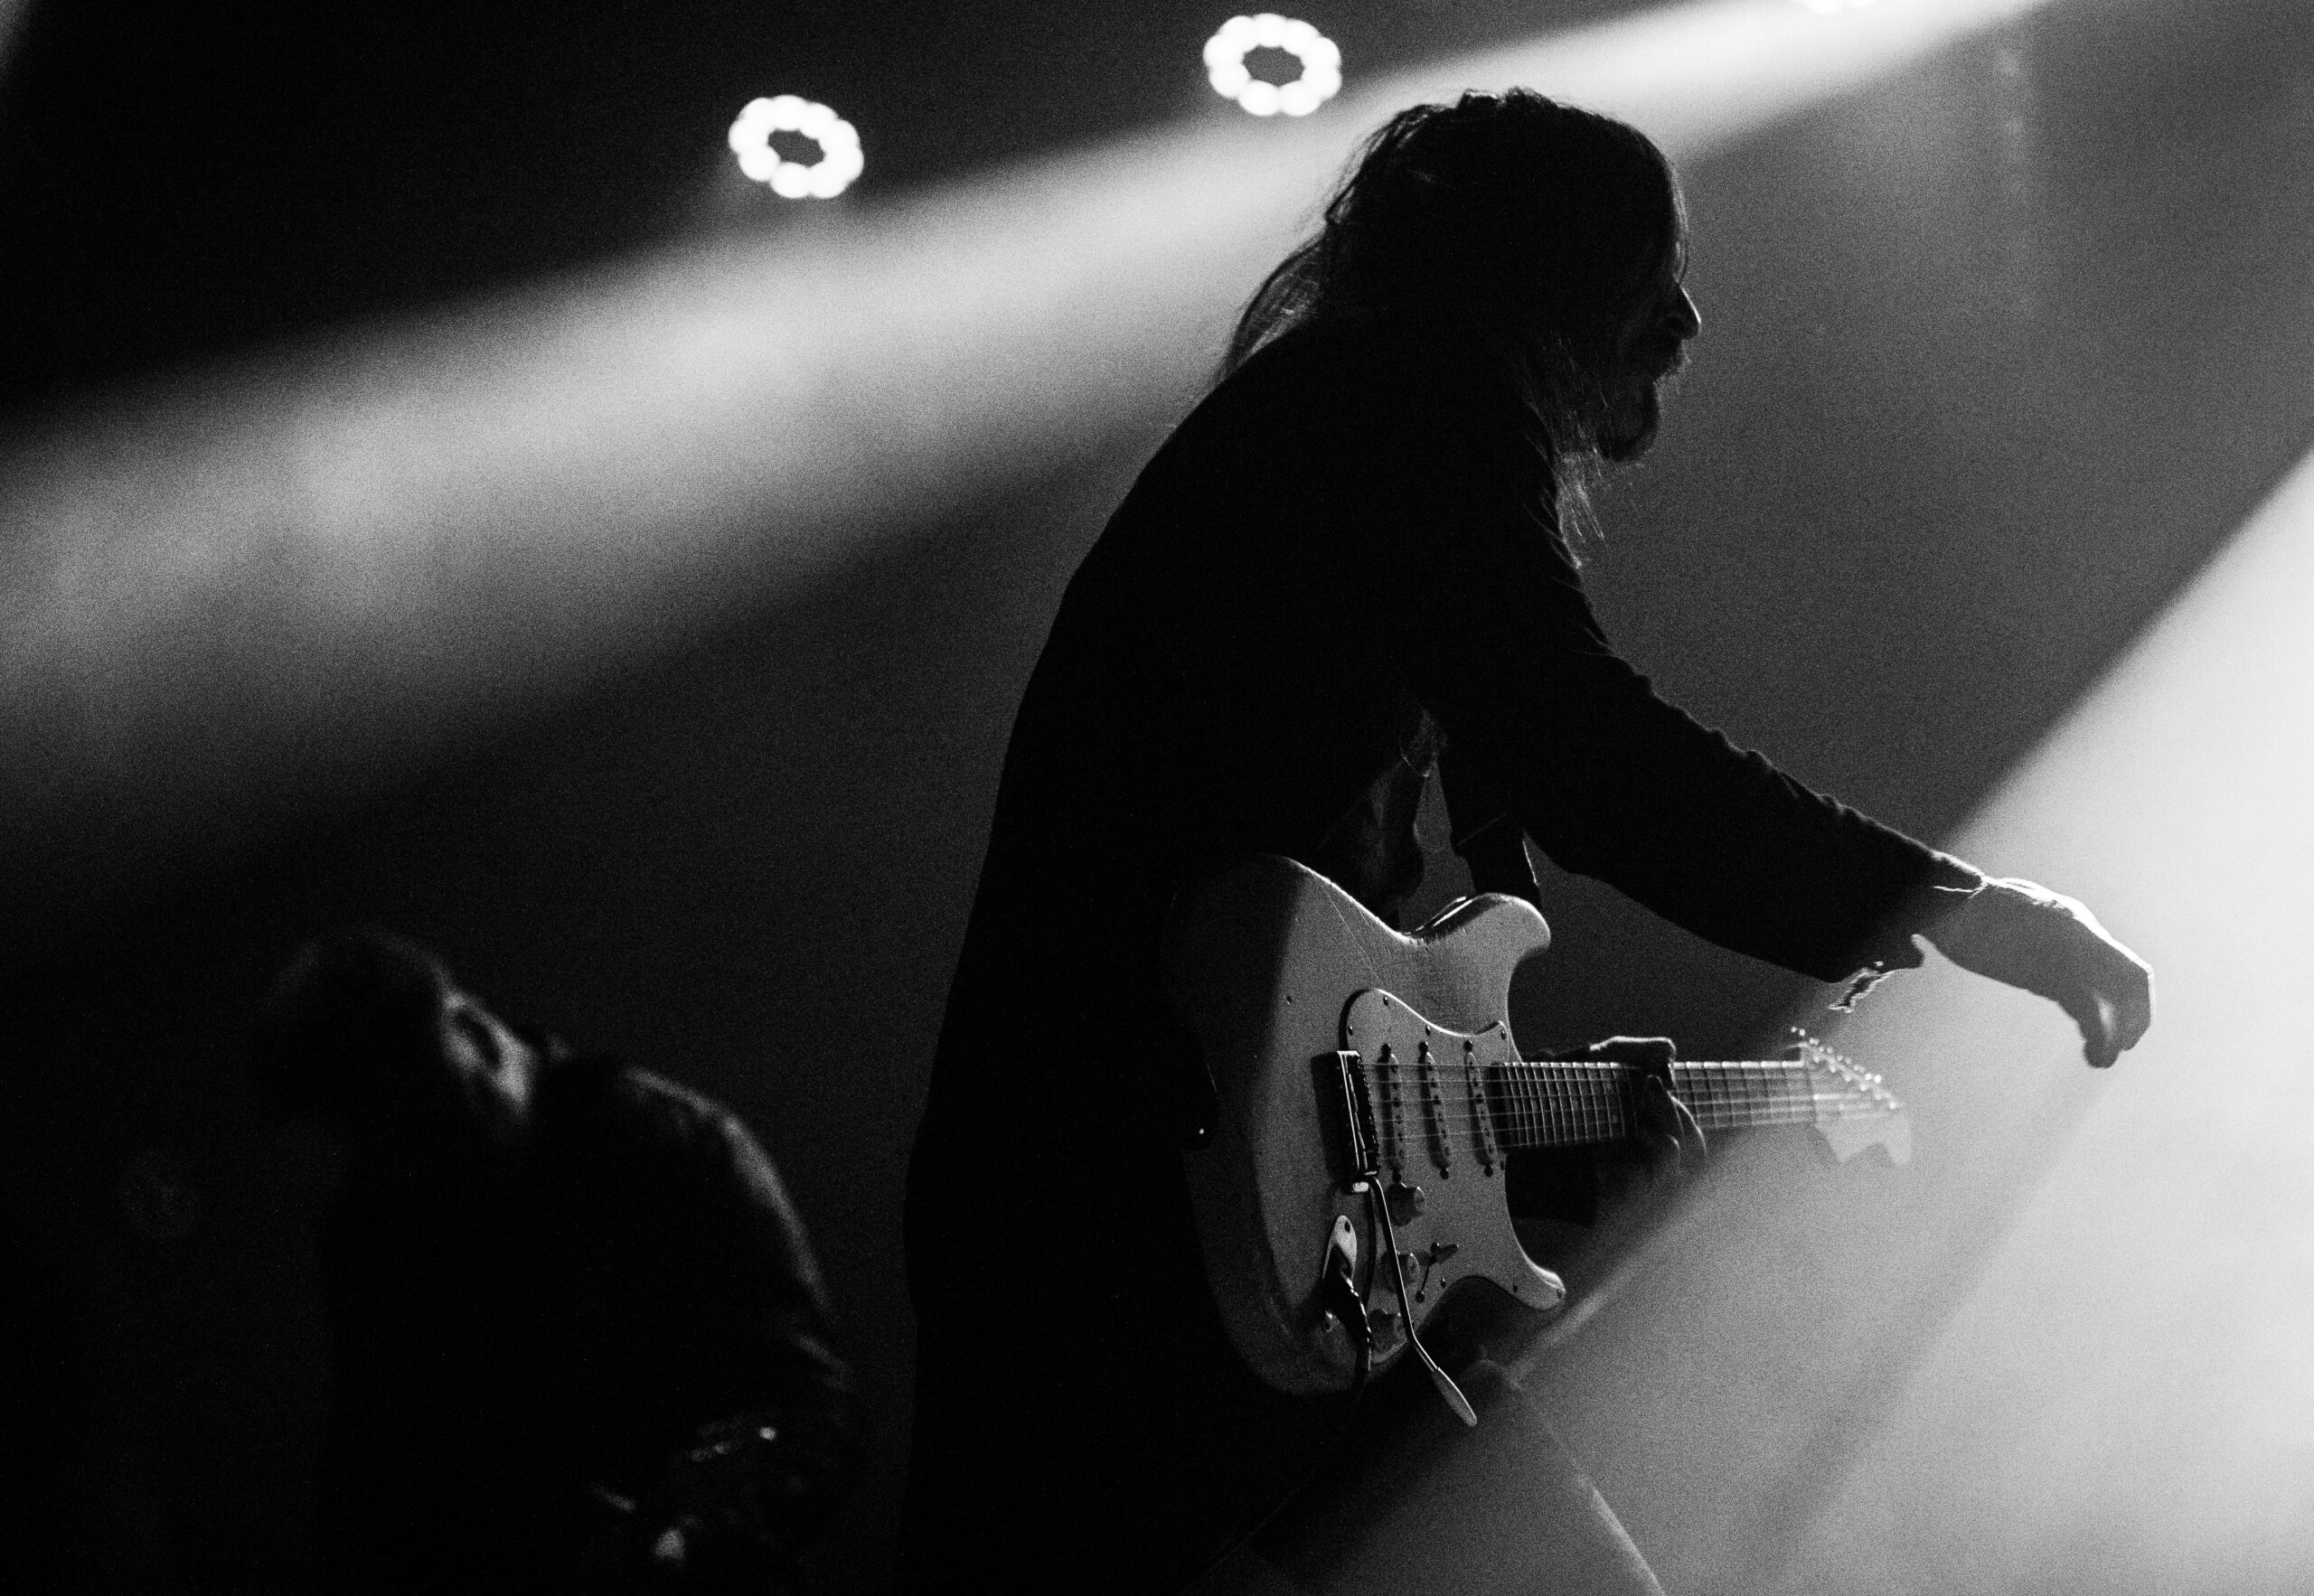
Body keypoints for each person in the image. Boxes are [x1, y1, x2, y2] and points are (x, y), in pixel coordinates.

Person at [897, 90, 2151, 1592]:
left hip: (1123, 1189)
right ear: (1542, 272)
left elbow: (1337, 986)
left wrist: (1514, 1134)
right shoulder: (1413, 404)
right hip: (1126, 1200)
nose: (1687, 319)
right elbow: (1596, 759)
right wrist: (1948, 906)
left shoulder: (1344, 424)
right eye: (1647, 263)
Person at [250, 932, 862, 1595]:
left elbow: (810, 1407)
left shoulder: (676, 1146)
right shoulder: (373, 1222)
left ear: (473, 1032)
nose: (418, 1173)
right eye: (378, 1149)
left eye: (429, 1119)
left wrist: (694, 1543)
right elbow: (369, 1474)